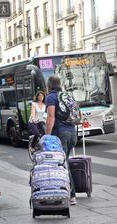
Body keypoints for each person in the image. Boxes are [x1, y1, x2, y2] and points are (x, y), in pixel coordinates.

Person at [45, 75, 77, 205]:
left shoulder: (51, 97)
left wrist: (47, 135)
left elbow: (51, 116)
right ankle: (66, 191)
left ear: (49, 85)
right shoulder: (67, 95)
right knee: (65, 162)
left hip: (61, 134)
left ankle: (71, 194)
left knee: (63, 165)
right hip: (72, 133)